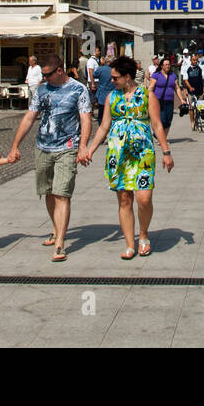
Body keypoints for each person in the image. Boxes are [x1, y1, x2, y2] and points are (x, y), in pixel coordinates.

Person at [80, 55, 174, 259]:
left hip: (142, 153)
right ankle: (130, 244)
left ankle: (144, 234)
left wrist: (166, 151)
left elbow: (157, 125)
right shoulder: (111, 97)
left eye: (115, 78)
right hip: (118, 153)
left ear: (128, 76)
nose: (112, 81)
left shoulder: (148, 96)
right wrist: (90, 149)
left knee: (144, 198)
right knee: (124, 199)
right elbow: (104, 126)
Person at [4, 54, 92, 263]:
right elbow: (29, 117)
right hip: (43, 146)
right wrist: (15, 145)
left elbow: (85, 118)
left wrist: (83, 147)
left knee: (62, 193)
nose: (44, 79)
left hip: (67, 147)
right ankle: (55, 229)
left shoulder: (78, 89)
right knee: (49, 192)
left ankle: (61, 242)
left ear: (59, 70)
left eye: (47, 75)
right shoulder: (43, 90)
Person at [149, 56, 178, 136]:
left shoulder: (173, 75)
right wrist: (148, 98)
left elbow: (177, 88)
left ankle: (163, 138)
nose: (167, 66)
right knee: (162, 119)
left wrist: (182, 99)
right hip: (158, 101)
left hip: (170, 101)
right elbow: (151, 87)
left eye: (168, 64)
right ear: (161, 66)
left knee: (168, 120)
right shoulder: (156, 75)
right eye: (165, 64)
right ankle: (159, 136)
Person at [93, 56, 115, 125]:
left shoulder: (101, 69)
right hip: (112, 94)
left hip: (102, 94)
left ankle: (101, 126)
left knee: (101, 114)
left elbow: (94, 74)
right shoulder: (115, 70)